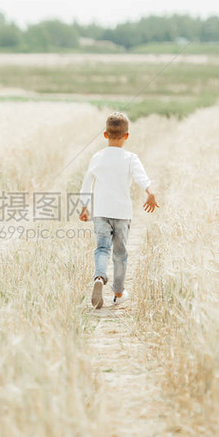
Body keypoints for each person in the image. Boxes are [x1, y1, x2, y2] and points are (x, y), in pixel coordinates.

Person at [78, 112, 158, 309]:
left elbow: (87, 183)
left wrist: (84, 206)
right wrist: (150, 192)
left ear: (105, 135)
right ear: (127, 136)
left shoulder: (97, 157)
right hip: (122, 213)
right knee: (120, 253)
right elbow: (141, 177)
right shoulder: (130, 158)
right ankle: (118, 292)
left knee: (102, 248)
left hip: (101, 211)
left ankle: (99, 276)